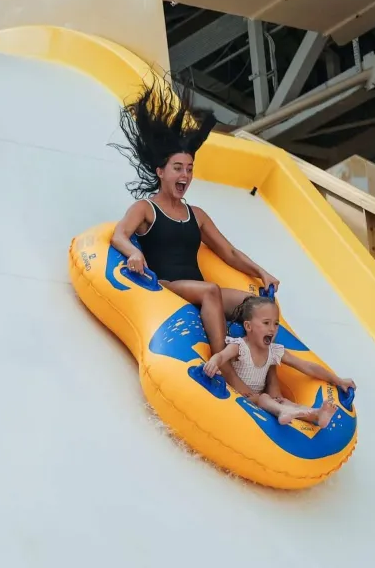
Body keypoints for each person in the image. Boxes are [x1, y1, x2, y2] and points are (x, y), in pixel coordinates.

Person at [110, 80, 280, 397]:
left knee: (257, 307)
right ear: (161, 171)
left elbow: (228, 251)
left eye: (189, 168)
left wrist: (261, 272)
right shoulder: (145, 208)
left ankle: (272, 384)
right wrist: (133, 252)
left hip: (198, 288)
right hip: (168, 285)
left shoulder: (196, 214)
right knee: (212, 291)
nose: (185, 176)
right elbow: (120, 234)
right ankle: (226, 369)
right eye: (178, 168)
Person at [203, 296, 355, 428]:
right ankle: (283, 410)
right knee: (264, 398)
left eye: (276, 324)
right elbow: (221, 356)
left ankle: (316, 415)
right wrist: (213, 362)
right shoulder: (240, 346)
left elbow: (307, 366)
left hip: (260, 398)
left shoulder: (274, 351)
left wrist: (338, 380)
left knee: (283, 401)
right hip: (238, 397)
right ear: (248, 326)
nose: (272, 329)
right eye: (266, 323)